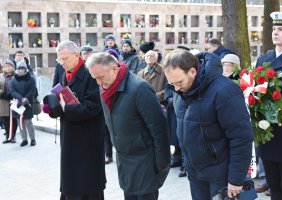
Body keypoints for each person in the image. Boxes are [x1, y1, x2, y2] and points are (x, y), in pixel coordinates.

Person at [163, 49, 253, 199]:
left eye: (179, 82)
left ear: (192, 71)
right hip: (196, 173)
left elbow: (241, 137)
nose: (176, 88)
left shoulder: (224, 90)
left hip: (221, 176)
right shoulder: (179, 90)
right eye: (172, 84)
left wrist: (236, 179)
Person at [87, 52, 170, 200]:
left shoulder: (140, 88)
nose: (98, 83)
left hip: (145, 161)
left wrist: (162, 161)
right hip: (125, 160)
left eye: (100, 77)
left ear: (114, 69)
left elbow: (159, 127)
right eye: (95, 79)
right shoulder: (105, 87)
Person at [46, 41, 106, 200]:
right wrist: (52, 107)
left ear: (77, 55)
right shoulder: (60, 69)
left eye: (65, 59)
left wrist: (68, 109)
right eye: (59, 59)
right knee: (70, 177)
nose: (62, 63)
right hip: (69, 132)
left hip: (88, 134)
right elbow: (55, 93)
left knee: (88, 179)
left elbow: (94, 106)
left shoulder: (91, 72)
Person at [255, 11, 282, 200]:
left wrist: (276, 83)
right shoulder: (264, 59)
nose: (275, 32)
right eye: (274, 28)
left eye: (281, 29)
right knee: (274, 187)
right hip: (267, 131)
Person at [9, 60, 36, 147]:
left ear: (25, 69)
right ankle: (24, 139)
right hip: (18, 103)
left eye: (22, 68)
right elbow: (12, 90)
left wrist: (26, 98)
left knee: (28, 122)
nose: (21, 70)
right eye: (19, 68)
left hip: (28, 103)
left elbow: (32, 90)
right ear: (16, 69)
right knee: (19, 121)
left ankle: (32, 139)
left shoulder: (31, 78)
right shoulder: (13, 79)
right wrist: (21, 98)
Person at [0, 60, 18, 143]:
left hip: (14, 100)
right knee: (5, 118)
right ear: (3, 68)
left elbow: (19, 86)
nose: (8, 68)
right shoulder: (0, 76)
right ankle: (7, 135)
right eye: (6, 66)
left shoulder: (16, 76)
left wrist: (13, 94)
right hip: (3, 100)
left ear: (13, 67)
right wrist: (3, 94)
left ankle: (13, 136)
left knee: (14, 118)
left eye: (9, 66)